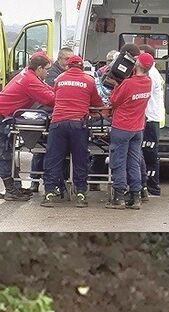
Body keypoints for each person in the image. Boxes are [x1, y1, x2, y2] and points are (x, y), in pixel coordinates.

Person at [40, 55, 104, 209]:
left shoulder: (60, 78)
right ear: (81, 66)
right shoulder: (89, 80)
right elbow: (96, 103)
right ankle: (81, 194)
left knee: (53, 159)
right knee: (80, 159)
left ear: (68, 66)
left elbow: (55, 98)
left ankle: (49, 193)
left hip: (58, 123)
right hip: (78, 124)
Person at [0, 53, 54, 201]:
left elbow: (48, 89)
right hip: (3, 116)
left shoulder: (29, 74)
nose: (48, 72)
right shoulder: (30, 80)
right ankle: (11, 190)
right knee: (4, 154)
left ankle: (15, 187)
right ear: (39, 68)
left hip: (5, 114)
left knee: (8, 153)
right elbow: (50, 99)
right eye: (47, 69)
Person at [106, 52, 152, 209]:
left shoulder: (128, 84)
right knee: (134, 162)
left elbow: (114, 101)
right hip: (138, 128)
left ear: (138, 65)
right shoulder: (148, 82)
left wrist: (116, 85)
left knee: (118, 162)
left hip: (122, 127)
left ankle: (118, 197)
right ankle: (136, 196)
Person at [29, 47, 75, 193]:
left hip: (56, 113)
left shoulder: (65, 72)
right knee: (41, 148)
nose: (69, 62)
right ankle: (35, 180)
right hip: (45, 111)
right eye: (66, 59)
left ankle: (60, 180)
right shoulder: (52, 74)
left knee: (54, 149)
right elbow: (52, 96)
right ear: (59, 59)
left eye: (71, 59)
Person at [137, 44, 164, 199]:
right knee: (148, 154)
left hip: (149, 118)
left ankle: (152, 187)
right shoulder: (153, 72)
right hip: (150, 117)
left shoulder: (151, 75)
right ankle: (149, 186)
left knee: (150, 155)